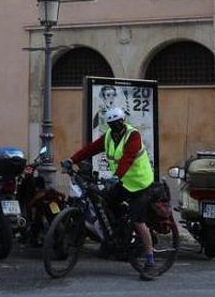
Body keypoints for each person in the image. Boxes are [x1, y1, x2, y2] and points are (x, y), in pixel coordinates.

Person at [67, 107, 158, 281]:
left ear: (123, 121)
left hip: (140, 184)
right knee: (105, 202)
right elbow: (91, 149)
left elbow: (128, 157)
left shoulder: (133, 135)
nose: (115, 128)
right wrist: (72, 159)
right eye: (111, 125)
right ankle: (116, 238)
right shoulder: (109, 136)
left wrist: (116, 176)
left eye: (117, 124)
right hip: (123, 182)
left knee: (138, 221)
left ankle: (150, 260)